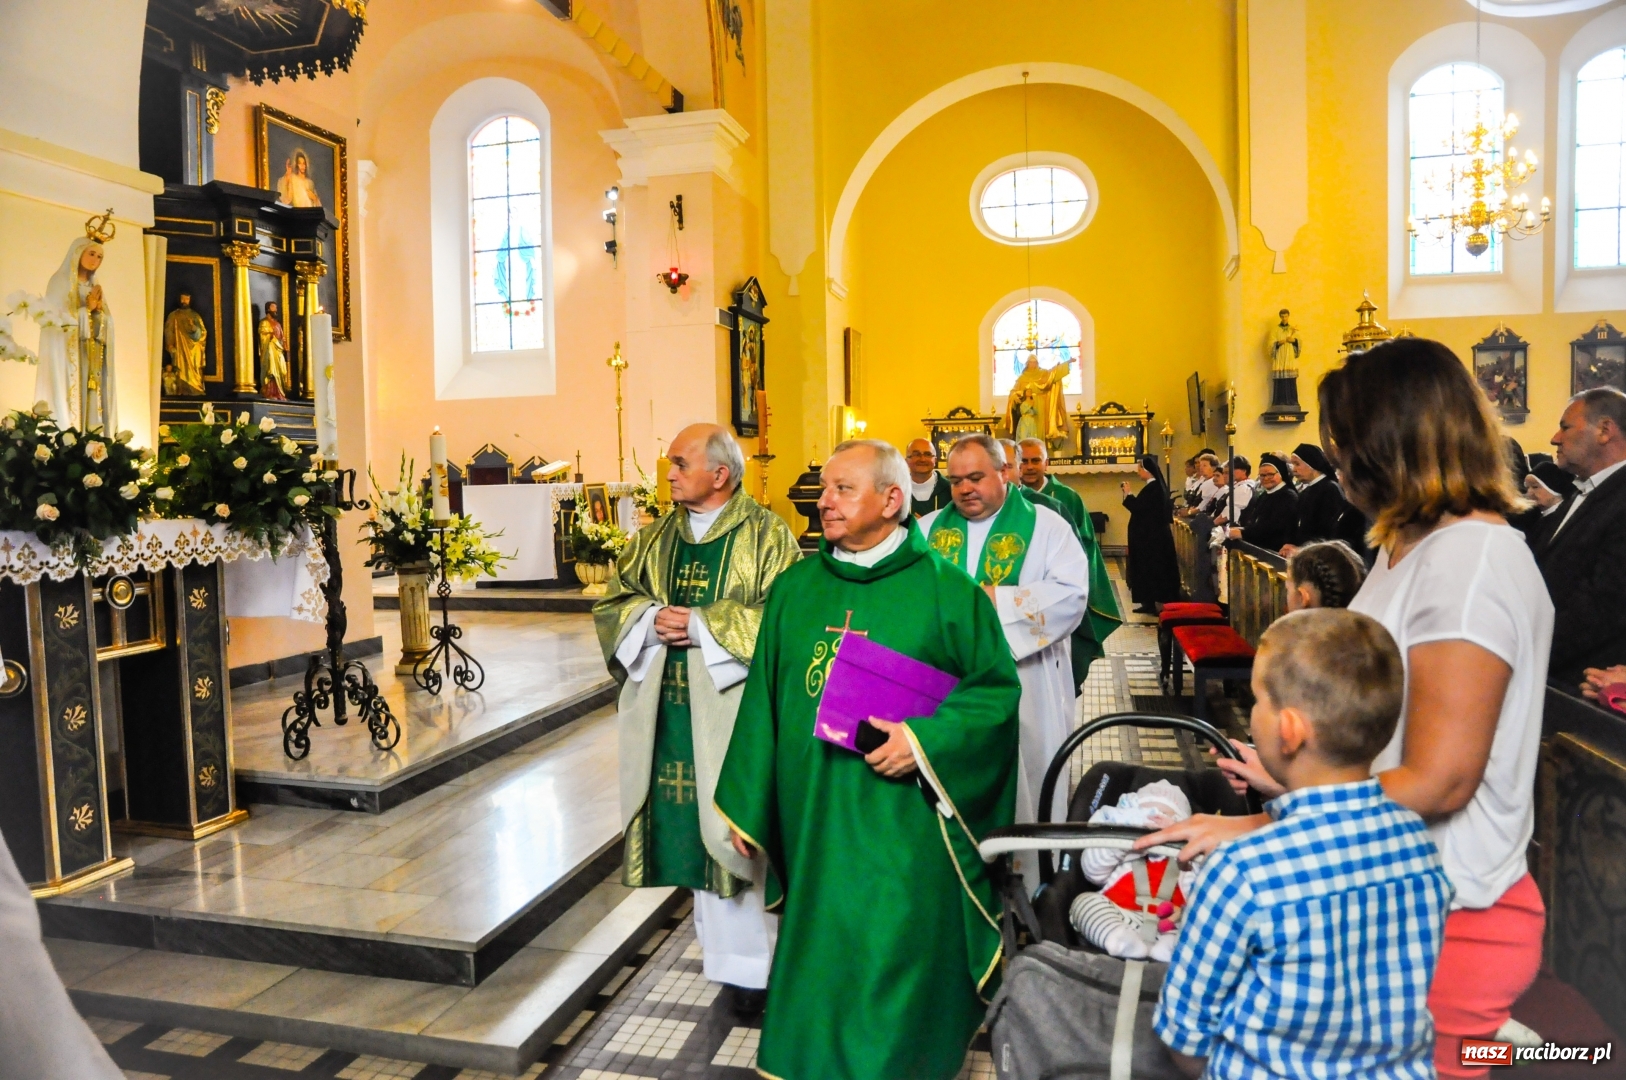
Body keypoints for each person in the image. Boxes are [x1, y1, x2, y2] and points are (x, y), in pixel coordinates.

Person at [1147, 338, 1551, 1080]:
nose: (1335, 464)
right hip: (1387, 888)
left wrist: (1255, 832)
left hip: (1448, 909)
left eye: (1344, 444)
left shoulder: (1472, 560)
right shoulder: (1413, 548)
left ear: (1388, 441)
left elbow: (1441, 779)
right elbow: (1391, 735)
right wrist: (1291, 782)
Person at [714, 439, 1021, 1080]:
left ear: (891, 499)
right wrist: (748, 804)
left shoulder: (947, 591)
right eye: (824, 489)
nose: (823, 501)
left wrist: (925, 742)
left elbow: (994, 696)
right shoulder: (797, 588)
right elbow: (764, 702)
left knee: (896, 953)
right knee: (821, 953)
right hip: (815, 821)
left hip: (904, 827)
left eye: (842, 489)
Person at [1154, 609, 1451, 1080]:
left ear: (1288, 731)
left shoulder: (1241, 871)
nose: (1252, 712)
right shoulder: (1417, 844)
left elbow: (1184, 1037)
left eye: (1256, 700)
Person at [593, 423, 800, 1007]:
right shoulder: (655, 537)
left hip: (735, 717)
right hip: (669, 716)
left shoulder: (767, 536)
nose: (670, 473)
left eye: (680, 463)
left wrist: (704, 625)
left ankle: (763, 969)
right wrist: (649, 619)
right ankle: (727, 964)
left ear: (720, 474)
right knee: (693, 837)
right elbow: (615, 601)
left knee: (736, 832)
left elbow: (787, 618)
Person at [923, 435, 1088, 826]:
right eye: (956, 480)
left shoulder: (1048, 527)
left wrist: (995, 600)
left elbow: (1072, 596)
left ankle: (1034, 876)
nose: (965, 488)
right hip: (946, 688)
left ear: (1003, 472)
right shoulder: (927, 530)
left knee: (1028, 782)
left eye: (976, 477)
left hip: (1026, 682)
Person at [1529, 387, 1626, 689]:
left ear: (1605, 430)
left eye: (1565, 426)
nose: (1555, 438)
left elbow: (1602, 609)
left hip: (1583, 685)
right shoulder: (1580, 492)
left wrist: (1525, 653)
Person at [1018, 436, 1123, 668]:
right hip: (1022, 589)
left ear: (1047, 464)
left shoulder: (1067, 497)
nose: (1029, 467)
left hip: (1058, 588)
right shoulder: (1009, 497)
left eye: (1036, 460)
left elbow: (1085, 544)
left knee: (1061, 660)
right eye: (1023, 461)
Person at [34, 222, 116, 432]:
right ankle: (69, 437)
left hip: (91, 358)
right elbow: (55, 324)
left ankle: (93, 437)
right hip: (67, 358)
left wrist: (98, 313)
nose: (95, 261)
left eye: (99, 257)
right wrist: (84, 311)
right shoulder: (59, 282)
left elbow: (107, 324)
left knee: (91, 401)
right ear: (78, 253)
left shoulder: (94, 287)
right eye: (91, 254)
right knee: (70, 399)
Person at [1121, 455, 1182, 613]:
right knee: (1145, 569)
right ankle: (1147, 601)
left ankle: (1155, 602)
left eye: (1140, 468)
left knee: (1153, 570)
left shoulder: (1154, 488)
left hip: (1152, 539)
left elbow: (1140, 509)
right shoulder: (1152, 487)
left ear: (1148, 471)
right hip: (1148, 537)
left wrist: (1128, 494)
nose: (1138, 471)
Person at [1282, 442, 1345, 553]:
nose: (1294, 470)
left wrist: (1304, 549)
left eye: (1297, 464)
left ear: (1312, 464)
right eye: (1293, 465)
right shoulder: (1306, 492)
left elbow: (1330, 532)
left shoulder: (1330, 489)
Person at [1228, 452, 1297, 551]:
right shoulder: (1265, 495)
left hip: (1275, 550)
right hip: (1261, 547)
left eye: (1270, 474)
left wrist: (1243, 533)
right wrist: (1242, 529)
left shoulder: (1288, 496)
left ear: (1281, 473)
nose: (1266, 478)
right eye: (1262, 475)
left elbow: (1274, 528)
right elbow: (1256, 523)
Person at [163, 291, 207, 396]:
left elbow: (202, 333)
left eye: (186, 299)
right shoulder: (174, 315)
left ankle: (195, 387)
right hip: (180, 349)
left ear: (190, 300)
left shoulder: (195, 316)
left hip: (193, 351)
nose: (184, 301)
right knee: (179, 370)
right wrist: (170, 344)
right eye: (182, 299)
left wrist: (194, 328)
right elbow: (169, 331)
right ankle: (180, 389)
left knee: (194, 372)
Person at [905, 437, 952, 517]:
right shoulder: (897, 490)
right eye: (916, 454)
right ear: (906, 461)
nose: (922, 459)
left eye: (928, 454)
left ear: (935, 460)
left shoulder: (950, 490)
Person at [259, 300, 290, 399]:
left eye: (276, 307)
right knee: (271, 371)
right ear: (268, 309)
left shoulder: (277, 324)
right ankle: (270, 392)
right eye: (273, 307)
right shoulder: (264, 322)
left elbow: (282, 336)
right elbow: (262, 334)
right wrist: (271, 336)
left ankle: (279, 393)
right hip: (270, 350)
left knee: (282, 371)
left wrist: (284, 343)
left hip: (278, 350)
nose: (276, 309)